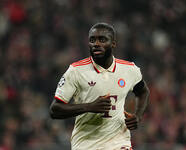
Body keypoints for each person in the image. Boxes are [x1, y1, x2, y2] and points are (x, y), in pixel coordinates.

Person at [50, 22, 150, 150]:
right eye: (92, 40)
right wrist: (89, 107)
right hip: (86, 144)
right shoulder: (75, 71)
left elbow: (143, 92)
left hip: (119, 143)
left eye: (102, 40)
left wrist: (138, 115)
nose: (96, 44)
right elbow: (55, 110)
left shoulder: (130, 69)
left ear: (113, 43)